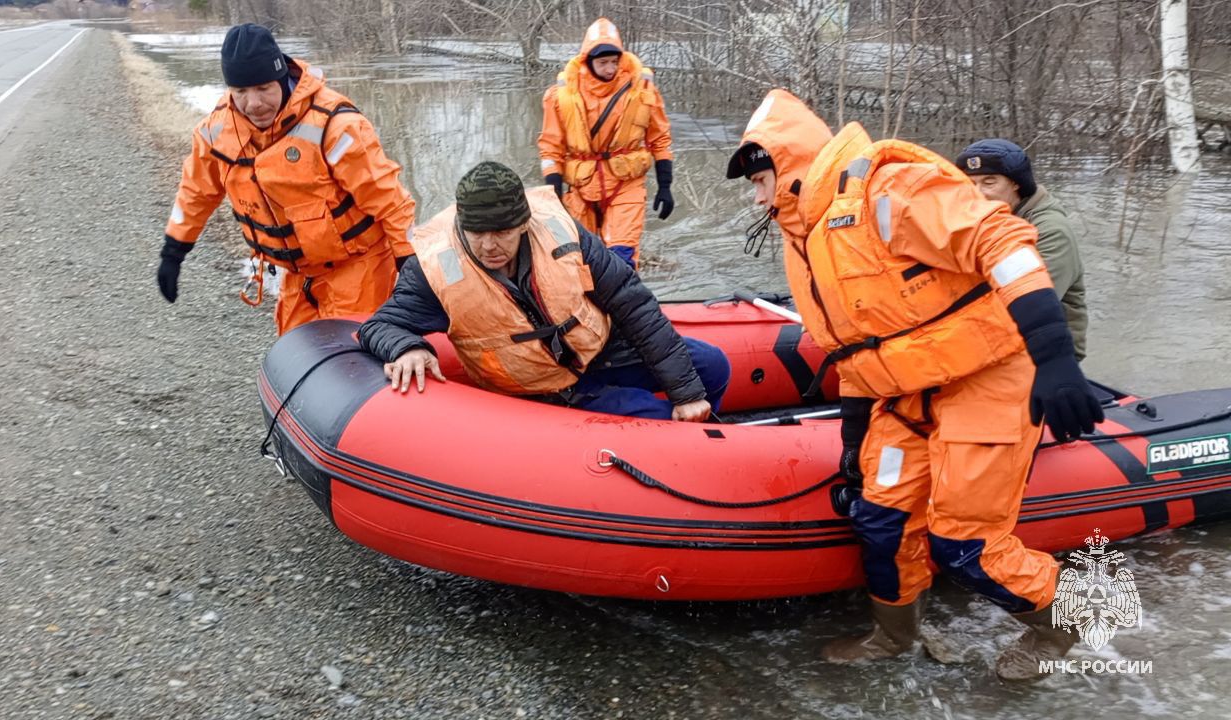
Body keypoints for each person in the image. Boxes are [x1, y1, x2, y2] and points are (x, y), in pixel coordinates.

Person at [725, 89, 1103, 680]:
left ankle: (1065, 625)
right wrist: (853, 442)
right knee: (880, 522)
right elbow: (851, 346)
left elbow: (1000, 243)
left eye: (759, 179)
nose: (755, 196)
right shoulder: (806, 239)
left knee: (967, 547)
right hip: (906, 396)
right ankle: (892, 636)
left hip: (988, 378)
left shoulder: (889, 188)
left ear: (788, 168)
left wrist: (1054, 356)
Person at [358, 161, 729, 422]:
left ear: (522, 224)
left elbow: (633, 303)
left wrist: (687, 394)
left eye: (502, 232)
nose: (489, 246)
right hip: (543, 387)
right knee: (654, 418)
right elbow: (380, 326)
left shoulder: (563, 232)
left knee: (712, 365)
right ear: (462, 227)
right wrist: (408, 347)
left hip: (602, 352)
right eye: (478, 234)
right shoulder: (434, 269)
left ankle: (702, 436)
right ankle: (683, 454)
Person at [156, 23, 415, 335]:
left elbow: (389, 199)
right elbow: (195, 193)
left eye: (264, 88)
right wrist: (174, 252)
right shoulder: (215, 133)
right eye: (241, 92)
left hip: (358, 267)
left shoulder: (334, 125)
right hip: (296, 274)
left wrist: (410, 264)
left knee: (353, 359)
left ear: (282, 78)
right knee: (294, 353)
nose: (254, 103)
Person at [538, 17, 674, 267]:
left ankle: (625, 304)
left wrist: (665, 184)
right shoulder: (561, 95)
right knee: (579, 261)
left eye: (614, 62)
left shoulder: (642, 88)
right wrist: (553, 193)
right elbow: (550, 146)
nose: (611, 69)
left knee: (622, 258)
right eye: (603, 63)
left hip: (626, 182)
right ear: (588, 62)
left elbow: (660, 138)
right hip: (581, 187)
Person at [957, 139, 1088, 359]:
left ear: (1016, 183)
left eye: (989, 182)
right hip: (993, 341)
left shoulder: (1050, 231)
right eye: (970, 184)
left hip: (1046, 353)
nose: (978, 193)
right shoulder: (982, 219)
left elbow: (1029, 305)